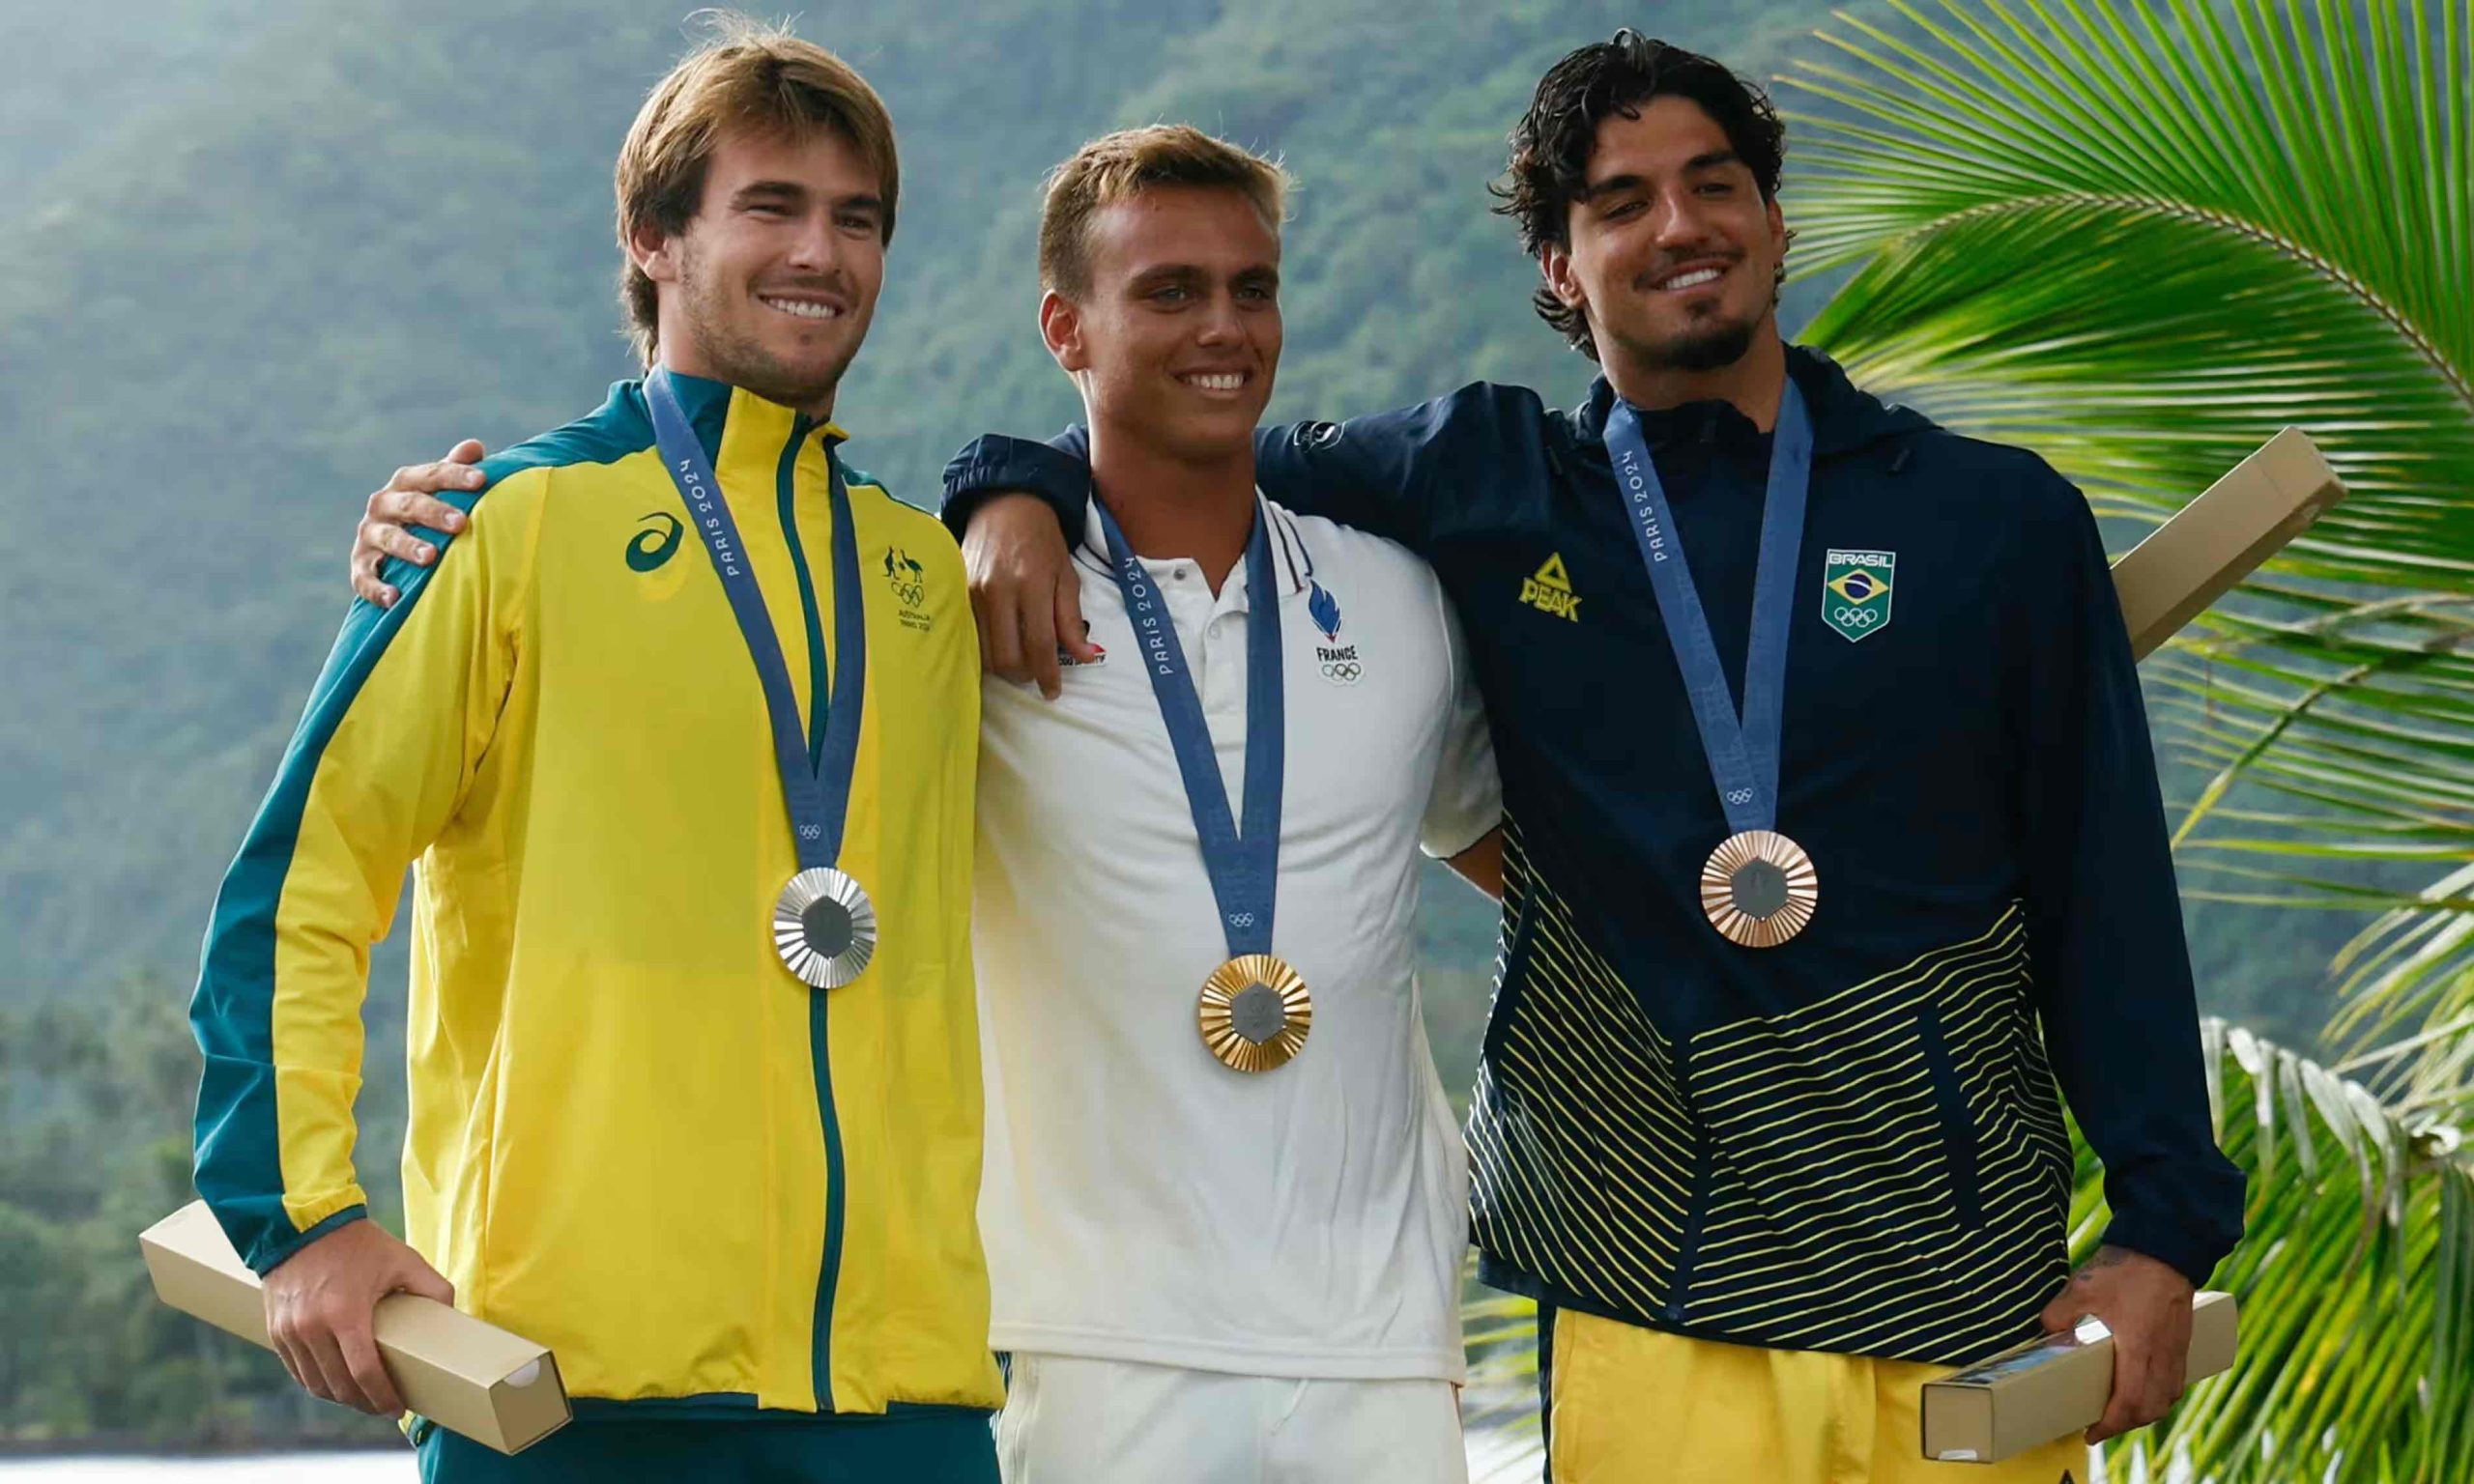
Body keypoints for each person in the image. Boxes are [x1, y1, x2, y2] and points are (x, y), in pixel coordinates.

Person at [942, 32, 2246, 1484]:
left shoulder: (1991, 520)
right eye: (1621, 202)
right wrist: (1013, 483)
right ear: (1558, 267)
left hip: (1961, 1299)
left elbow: (2106, 887)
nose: (1680, 225)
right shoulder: (1492, 489)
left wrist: (2159, 1229)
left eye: (1716, 184)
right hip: (1652, 1299)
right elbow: (1197, 432)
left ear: (1773, 217)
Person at [344, 126, 1503, 1482]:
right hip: (1072, 1343)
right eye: (1170, 292)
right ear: (1066, 325)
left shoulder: (1400, 601)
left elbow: (1543, 868)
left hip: (1380, 1341)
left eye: (1253, 290)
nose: (1224, 328)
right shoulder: (963, 610)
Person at [189, 19, 1002, 1481]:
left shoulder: (923, 576)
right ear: (652, 236)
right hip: (570, 1395)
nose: (821, 250)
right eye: (770, 206)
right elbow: (302, 887)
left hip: (906, 1398)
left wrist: (1033, 486)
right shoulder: (504, 527)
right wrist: (300, 1215)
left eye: (856, 217)